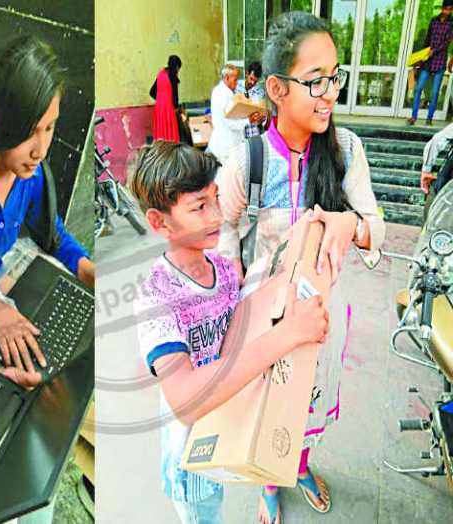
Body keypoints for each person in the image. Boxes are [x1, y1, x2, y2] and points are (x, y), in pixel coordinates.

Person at [215, 12, 386, 523]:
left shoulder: (346, 151)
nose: (330, 93)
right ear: (277, 88)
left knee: (308, 404)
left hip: (321, 318)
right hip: (264, 321)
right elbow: (223, 240)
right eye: (316, 81)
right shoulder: (247, 162)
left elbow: (376, 228)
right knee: (269, 407)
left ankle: (301, 465)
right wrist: (230, 302)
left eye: (335, 77)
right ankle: (270, 480)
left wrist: (350, 224)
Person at [128, 141, 328, 524]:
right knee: (205, 513)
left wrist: (298, 311)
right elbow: (186, 399)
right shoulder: (156, 296)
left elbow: (243, 324)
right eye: (199, 207)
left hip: (227, 424)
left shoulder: (221, 268)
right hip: (190, 455)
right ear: (160, 222)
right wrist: (285, 335)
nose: (217, 215)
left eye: (216, 199)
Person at [0, 35, 95, 383]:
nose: (41, 149)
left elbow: (53, 234)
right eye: (30, 132)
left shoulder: (30, 176)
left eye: (49, 128)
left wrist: (88, 271)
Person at [207, 64, 265, 164]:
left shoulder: (220, 91)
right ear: (227, 78)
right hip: (226, 146)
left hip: (239, 140)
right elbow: (229, 122)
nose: (237, 82)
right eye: (235, 80)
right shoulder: (226, 94)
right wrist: (248, 120)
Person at [408, 0, 453, 126]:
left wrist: (434, 51)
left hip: (439, 62)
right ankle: (413, 116)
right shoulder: (434, 20)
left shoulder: (452, 23)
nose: (448, 11)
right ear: (442, 8)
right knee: (418, 89)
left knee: (434, 93)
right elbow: (427, 39)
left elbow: (446, 42)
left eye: (450, 9)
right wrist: (422, 56)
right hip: (427, 61)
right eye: (446, 8)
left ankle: (429, 119)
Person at [150, 55, 183, 143]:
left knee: (161, 135)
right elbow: (175, 98)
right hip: (168, 109)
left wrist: (161, 99)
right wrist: (178, 109)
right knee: (171, 136)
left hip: (158, 109)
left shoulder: (161, 73)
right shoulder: (173, 76)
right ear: (177, 67)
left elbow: (152, 92)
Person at [235, 61, 267, 138]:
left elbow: (263, 114)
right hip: (238, 132)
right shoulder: (235, 87)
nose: (252, 83)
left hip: (253, 133)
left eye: (255, 81)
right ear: (247, 74)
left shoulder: (260, 93)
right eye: (251, 79)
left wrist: (262, 117)